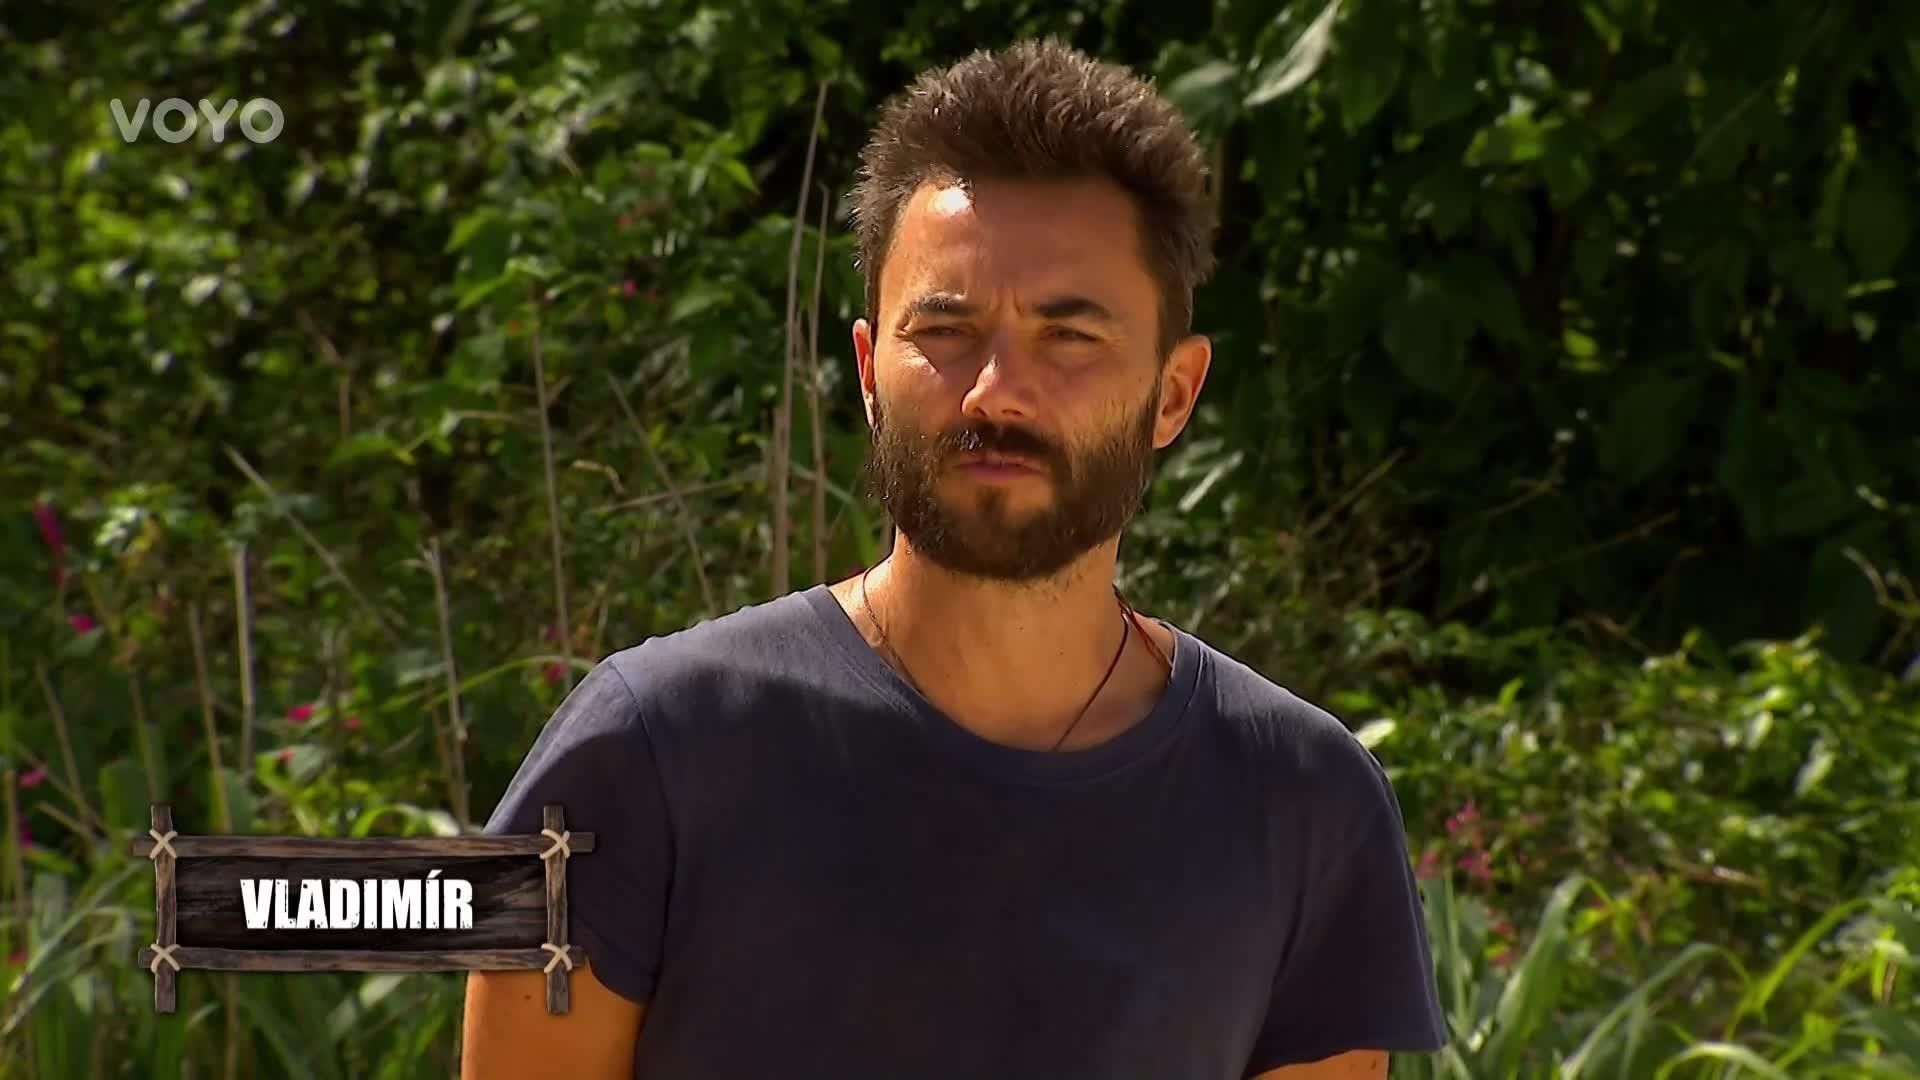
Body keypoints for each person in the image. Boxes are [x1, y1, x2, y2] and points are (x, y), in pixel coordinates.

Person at [462, 38, 1446, 1080]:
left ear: (1173, 393)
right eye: (945, 329)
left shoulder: (1304, 804)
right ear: (867, 371)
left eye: (1068, 337)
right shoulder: (645, 750)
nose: (994, 392)